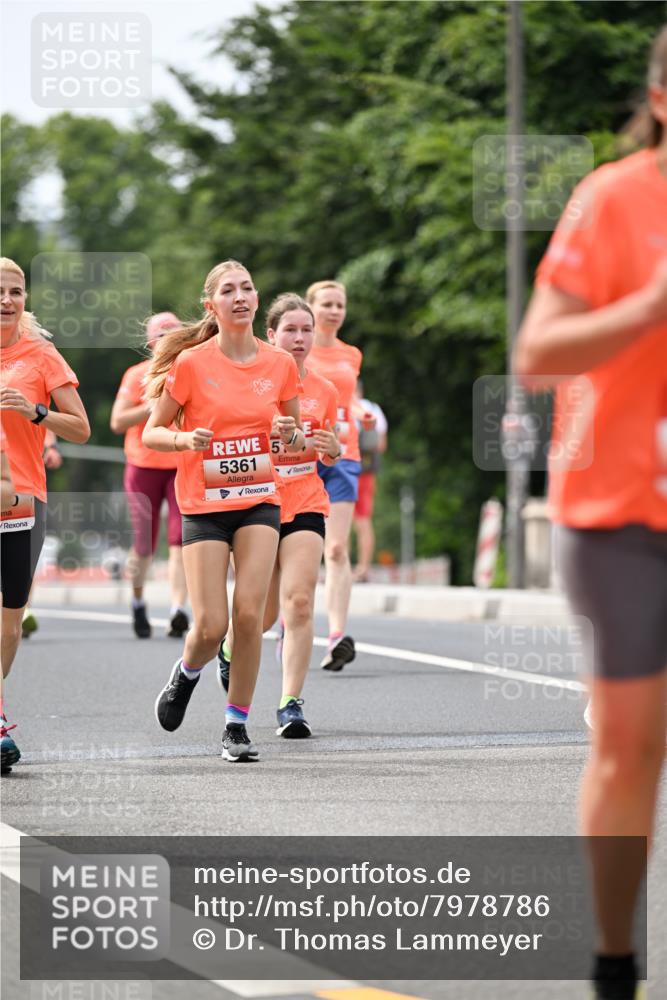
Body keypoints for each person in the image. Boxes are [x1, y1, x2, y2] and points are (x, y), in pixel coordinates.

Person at [514, 26, 667, 1000]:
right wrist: (650, 307)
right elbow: (537, 353)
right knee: (632, 742)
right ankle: (615, 964)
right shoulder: (615, 198)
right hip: (622, 510)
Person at [143, 260, 304, 762]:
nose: (241, 296)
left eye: (248, 288)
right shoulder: (191, 364)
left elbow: (294, 433)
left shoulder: (280, 364)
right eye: (229, 291)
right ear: (211, 305)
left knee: (250, 616)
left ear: (257, 300)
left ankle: (236, 725)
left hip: (259, 498)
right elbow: (151, 431)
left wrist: (288, 434)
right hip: (204, 505)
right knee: (211, 626)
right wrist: (183, 438)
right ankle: (187, 673)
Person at [217, 293, 341, 737]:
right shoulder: (254, 384)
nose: (300, 338)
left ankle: (291, 703)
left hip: (306, 500)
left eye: (306, 330)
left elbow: (331, 449)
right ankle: (231, 649)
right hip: (259, 503)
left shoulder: (325, 390)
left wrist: (332, 448)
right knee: (260, 616)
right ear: (270, 335)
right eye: (290, 330)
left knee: (301, 602)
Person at [0, 257, 90, 774]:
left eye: (16, 291)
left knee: (10, 622)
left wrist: (33, 411)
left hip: (21, 501)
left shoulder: (41, 355)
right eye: (0, 291)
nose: (7, 300)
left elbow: (80, 429)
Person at [306, 280, 375, 671]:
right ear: (312, 307)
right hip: (302, 452)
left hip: (344, 453)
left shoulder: (352, 353)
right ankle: (291, 621)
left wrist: (359, 407)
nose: (334, 311)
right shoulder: (296, 347)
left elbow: (345, 394)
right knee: (299, 549)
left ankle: (336, 636)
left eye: (339, 305)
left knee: (335, 548)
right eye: (327, 304)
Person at [110, 312, 189, 639]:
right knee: (143, 543)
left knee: (180, 540)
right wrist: (154, 405)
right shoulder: (137, 374)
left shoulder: (189, 370)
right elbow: (117, 422)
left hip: (180, 463)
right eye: (160, 333)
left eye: (173, 332)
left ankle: (177, 609)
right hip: (143, 465)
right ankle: (139, 602)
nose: (166, 337)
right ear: (149, 341)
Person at [21, 427, 62, 639]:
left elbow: (42, 419)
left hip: (23, 484)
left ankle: (22, 609)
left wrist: (52, 447)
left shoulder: (24, 395)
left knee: (24, 552)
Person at [352, 381, 388, 582]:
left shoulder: (343, 406)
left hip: (344, 467)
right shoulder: (373, 409)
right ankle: (364, 568)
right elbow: (381, 444)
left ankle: (341, 566)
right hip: (366, 471)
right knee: (364, 520)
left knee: (341, 520)